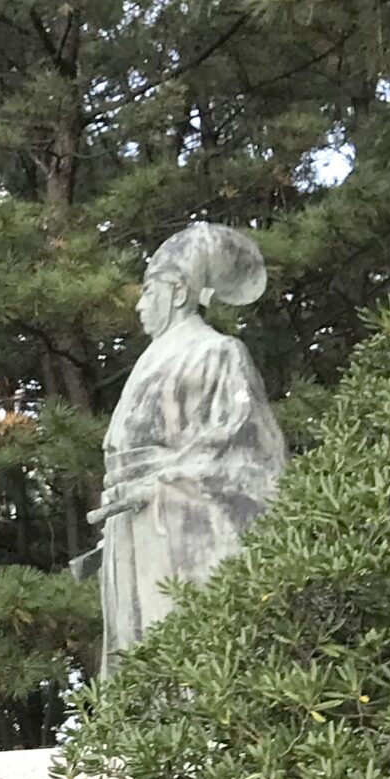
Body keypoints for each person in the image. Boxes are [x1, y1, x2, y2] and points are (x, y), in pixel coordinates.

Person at [87, 223, 287, 667]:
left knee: (175, 649)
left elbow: (243, 454)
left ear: (178, 292)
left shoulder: (218, 353)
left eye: (147, 291)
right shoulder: (150, 361)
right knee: (135, 654)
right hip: (131, 523)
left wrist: (160, 486)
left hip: (172, 521)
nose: (139, 306)